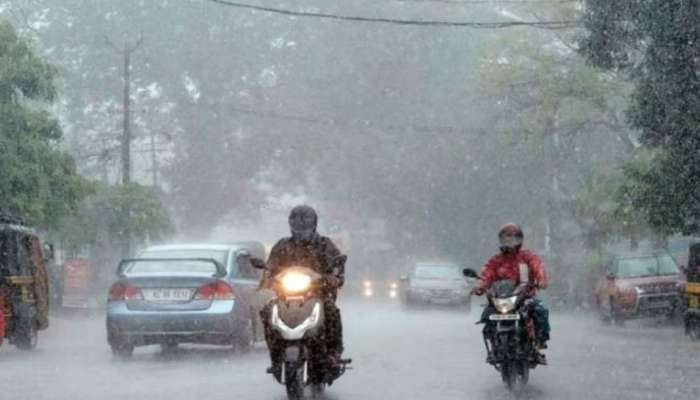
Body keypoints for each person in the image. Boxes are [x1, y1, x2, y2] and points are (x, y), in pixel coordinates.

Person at [260, 205, 346, 372]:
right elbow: (270, 266)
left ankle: (334, 353)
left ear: (314, 223)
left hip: (317, 294)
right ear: (291, 223)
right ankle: (275, 352)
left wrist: (335, 277)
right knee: (267, 311)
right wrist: (267, 276)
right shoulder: (282, 245)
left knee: (331, 311)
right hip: (286, 296)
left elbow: (337, 265)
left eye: (305, 222)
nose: (301, 226)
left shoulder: (324, 245)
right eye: (297, 222)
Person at [471, 223, 550, 364]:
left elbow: (538, 266)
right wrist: (480, 286)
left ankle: (538, 343)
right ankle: (493, 345)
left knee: (540, 310)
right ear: (501, 240)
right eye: (506, 239)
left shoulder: (527, 257)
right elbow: (486, 275)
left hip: (524, 297)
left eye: (513, 239)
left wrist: (541, 279)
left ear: (520, 240)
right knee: (487, 315)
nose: (510, 242)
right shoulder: (496, 260)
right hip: (501, 299)